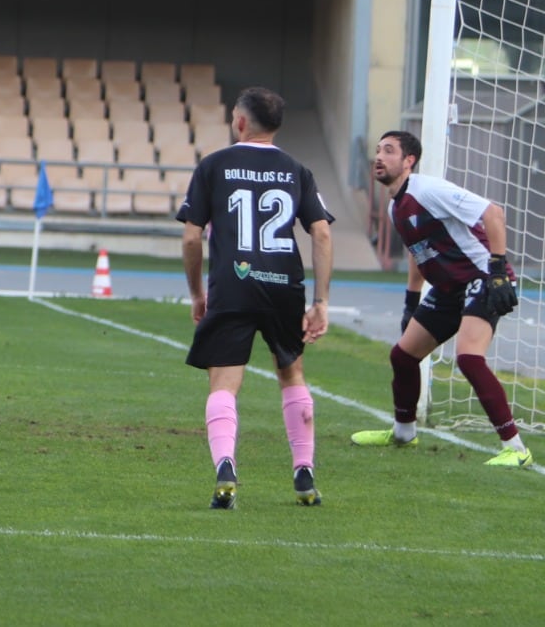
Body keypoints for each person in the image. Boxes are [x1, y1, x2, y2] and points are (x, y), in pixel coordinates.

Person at [177, 87, 334, 509]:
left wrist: (196, 293)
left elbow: (192, 237)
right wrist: (320, 301)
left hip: (233, 283)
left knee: (225, 382)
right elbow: (320, 232)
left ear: (241, 122)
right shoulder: (297, 169)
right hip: (284, 283)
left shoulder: (213, 165)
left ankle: (225, 466)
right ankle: (304, 472)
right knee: (292, 373)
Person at [350, 131, 532, 467]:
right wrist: (410, 302)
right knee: (403, 356)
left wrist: (496, 270)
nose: (379, 157)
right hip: (448, 289)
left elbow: (493, 213)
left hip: (482, 277)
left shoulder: (428, 190)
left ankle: (517, 449)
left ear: (409, 161)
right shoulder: (395, 208)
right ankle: (404, 432)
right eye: (377, 150)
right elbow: (418, 255)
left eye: (389, 151)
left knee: (468, 358)